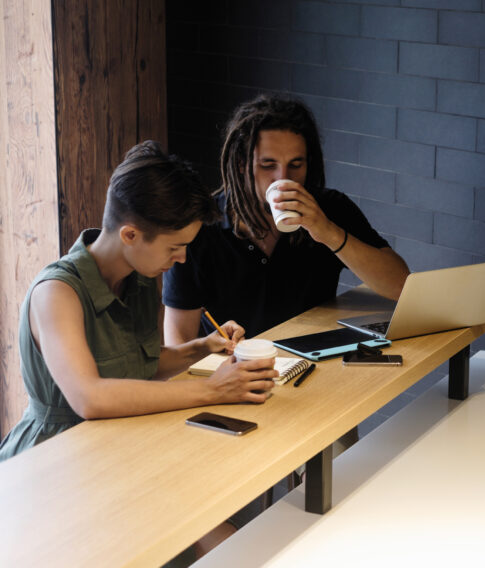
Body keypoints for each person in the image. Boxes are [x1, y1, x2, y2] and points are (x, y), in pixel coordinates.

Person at [0, 140, 279, 464]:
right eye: (174, 246)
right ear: (130, 235)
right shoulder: (57, 293)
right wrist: (214, 390)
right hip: (50, 459)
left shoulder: (140, 276)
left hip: (115, 446)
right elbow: (90, 397)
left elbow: (135, 366)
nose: (182, 258)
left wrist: (202, 347)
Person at [162, 94, 409, 344]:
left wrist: (328, 232)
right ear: (240, 163)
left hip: (312, 363)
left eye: (296, 164)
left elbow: (399, 286)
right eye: (268, 165)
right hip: (232, 370)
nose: (283, 177)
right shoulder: (202, 226)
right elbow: (178, 337)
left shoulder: (329, 209)